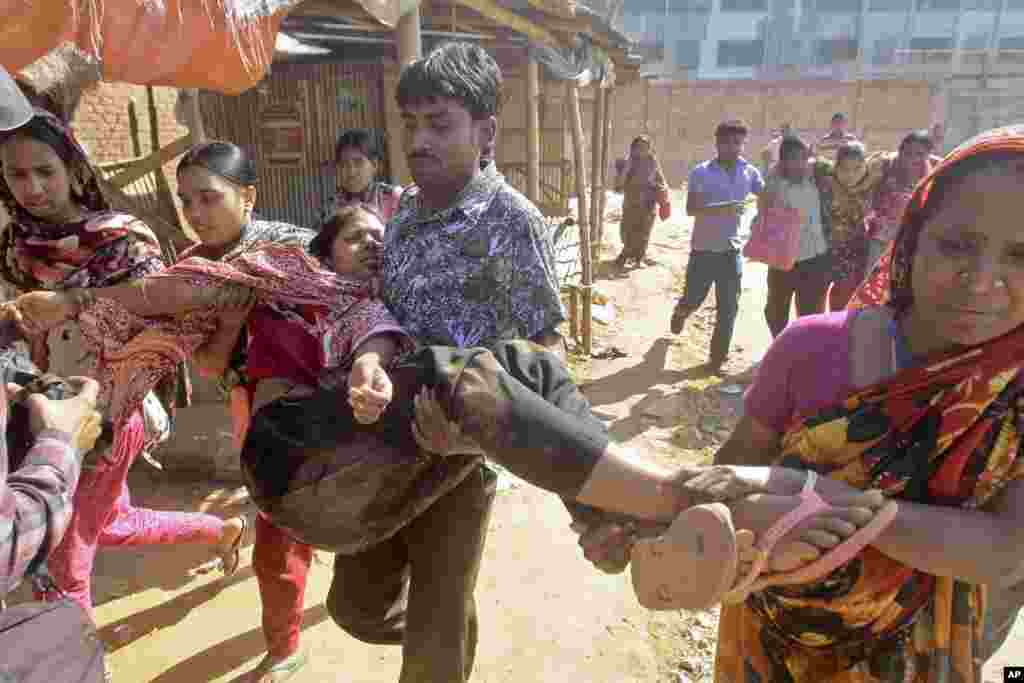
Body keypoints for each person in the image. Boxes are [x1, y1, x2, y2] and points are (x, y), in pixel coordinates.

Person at [585, 124, 1024, 682]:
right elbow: (724, 481)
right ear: (912, 238)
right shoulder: (812, 349)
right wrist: (646, 527)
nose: (983, 280)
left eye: (1020, 255)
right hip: (771, 641)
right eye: (958, 244)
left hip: (915, 654)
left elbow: (1006, 550)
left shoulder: (1013, 389)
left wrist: (825, 499)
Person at [0, 111, 246, 616]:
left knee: (61, 560)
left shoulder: (120, 239)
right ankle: (222, 530)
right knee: (107, 524)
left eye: (45, 171)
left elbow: (168, 312)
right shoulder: (12, 243)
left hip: (109, 412)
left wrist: (73, 305)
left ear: (72, 168)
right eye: (17, 175)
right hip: (36, 411)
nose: (33, 188)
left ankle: (77, 665)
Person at [671, 119, 764, 372]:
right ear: (718, 143)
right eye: (728, 142)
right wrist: (723, 208)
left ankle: (716, 359)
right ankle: (681, 311)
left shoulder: (749, 172)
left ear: (743, 144)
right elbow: (691, 208)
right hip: (703, 250)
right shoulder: (701, 172)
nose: (733, 147)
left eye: (738, 142)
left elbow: (768, 194)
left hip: (731, 251)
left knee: (729, 308)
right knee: (694, 297)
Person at [761, 136, 832, 337]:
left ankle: (802, 354)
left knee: (810, 315)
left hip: (815, 259)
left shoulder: (816, 179)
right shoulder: (775, 184)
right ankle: (779, 346)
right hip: (782, 260)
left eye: (802, 158)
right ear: (782, 162)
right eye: (792, 159)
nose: (798, 164)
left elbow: (834, 166)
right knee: (776, 312)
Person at [814, 142, 875, 310]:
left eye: (857, 169)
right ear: (836, 166)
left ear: (865, 166)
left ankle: (836, 329)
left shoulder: (872, 181)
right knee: (815, 299)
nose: (850, 175)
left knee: (843, 299)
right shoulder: (824, 179)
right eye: (845, 169)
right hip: (823, 250)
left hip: (854, 252)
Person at [865, 129, 934, 272]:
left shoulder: (932, 175)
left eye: (919, 154)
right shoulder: (884, 165)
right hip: (881, 238)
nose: (912, 159)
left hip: (909, 240)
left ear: (928, 155)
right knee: (873, 279)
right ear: (900, 150)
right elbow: (864, 185)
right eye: (908, 153)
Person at [318, 129, 403, 227]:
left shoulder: (395, 198)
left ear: (374, 165)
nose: (351, 172)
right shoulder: (329, 209)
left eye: (358, 162)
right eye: (344, 164)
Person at [613, 135, 668, 269]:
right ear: (633, 149)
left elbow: (662, 180)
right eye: (639, 147)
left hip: (648, 203)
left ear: (650, 149)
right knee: (628, 231)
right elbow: (618, 184)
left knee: (644, 232)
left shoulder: (653, 163)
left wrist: (662, 192)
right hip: (631, 203)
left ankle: (638, 258)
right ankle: (626, 253)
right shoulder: (627, 162)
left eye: (645, 147)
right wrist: (627, 168)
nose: (642, 150)